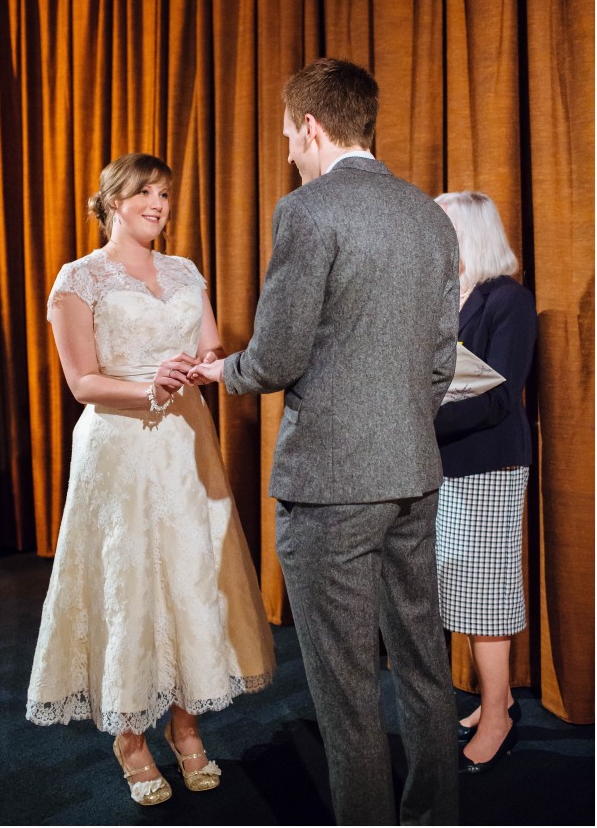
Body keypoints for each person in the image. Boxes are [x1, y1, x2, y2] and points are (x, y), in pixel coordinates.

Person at [190, 58, 461, 825]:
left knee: (344, 690)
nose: (287, 153)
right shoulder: (428, 215)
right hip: (412, 468)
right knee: (422, 667)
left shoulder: (309, 210)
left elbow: (275, 358)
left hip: (330, 487)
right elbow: (441, 361)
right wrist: (400, 419)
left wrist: (223, 371)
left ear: (312, 126)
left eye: (287, 136)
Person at [26, 153, 274, 807]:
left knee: (190, 580)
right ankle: (131, 737)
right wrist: (147, 384)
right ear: (112, 201)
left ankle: (185, 725)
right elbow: (81, 382)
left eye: (165, 194)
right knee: (131, 585)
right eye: (145, 193)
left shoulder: (186, 271)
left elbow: (212, 348)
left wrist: (204, 365)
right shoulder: (78, 280)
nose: (159, 204)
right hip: (121, 448)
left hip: (187, 446)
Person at [433, 191, 537, 774]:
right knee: (465, 588)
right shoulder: (447, 297)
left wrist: (418, 415)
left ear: (470, 232)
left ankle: (497, 717)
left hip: (489, 464)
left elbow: (497, 398)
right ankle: (495, 701)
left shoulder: (509, 300)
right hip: (448, 464)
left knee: (486, 593)